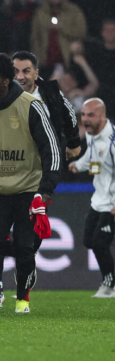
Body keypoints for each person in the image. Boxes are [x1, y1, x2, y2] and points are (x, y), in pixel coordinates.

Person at [0, 52, 60, 313]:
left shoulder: (30, 106)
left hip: (28, 190)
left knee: (25, 247)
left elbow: (52, 149)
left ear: (6, 80)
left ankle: (22, 299)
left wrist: (46, 189)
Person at [69, 99, 115, 298]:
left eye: (91, 115)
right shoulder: (91, 134)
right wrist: (79, 164)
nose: (85, 119)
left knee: (100, 243)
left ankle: (110, 284)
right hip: (98, 200)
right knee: (89, 240)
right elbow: (93, 156)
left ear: (102, 116)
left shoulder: (113, 142)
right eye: (84, 114)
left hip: (111, 205)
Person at [12, 51, 81, 161]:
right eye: (16, 71)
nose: (20, 76)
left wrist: (73, 143)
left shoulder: (50, 93)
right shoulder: (0, 95)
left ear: (35, 74)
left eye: (26, 71)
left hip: (46, 157)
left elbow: (69, 114)